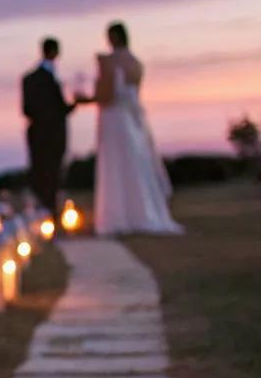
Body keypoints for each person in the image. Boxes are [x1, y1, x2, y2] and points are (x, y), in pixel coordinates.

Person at [78, 22, 182, 236]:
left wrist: (84, 99)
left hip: (113, 118)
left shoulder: (108, 62)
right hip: (134, 119)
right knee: (137, 164)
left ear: (114, 37)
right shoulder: (136, 63)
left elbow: (106, 96)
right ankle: (143, 212)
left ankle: (119, 216)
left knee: (115, 165)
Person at [21, 37, 75, 219]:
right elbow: (59, 109)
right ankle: (48, 214)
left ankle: (47, 214)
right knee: (49, 173)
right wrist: (74, 104)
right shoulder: (41, 79)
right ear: (55, 52)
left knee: (44, 174)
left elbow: (26, 109)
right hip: (50, 134)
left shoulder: (29, 79)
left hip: (39, 133)